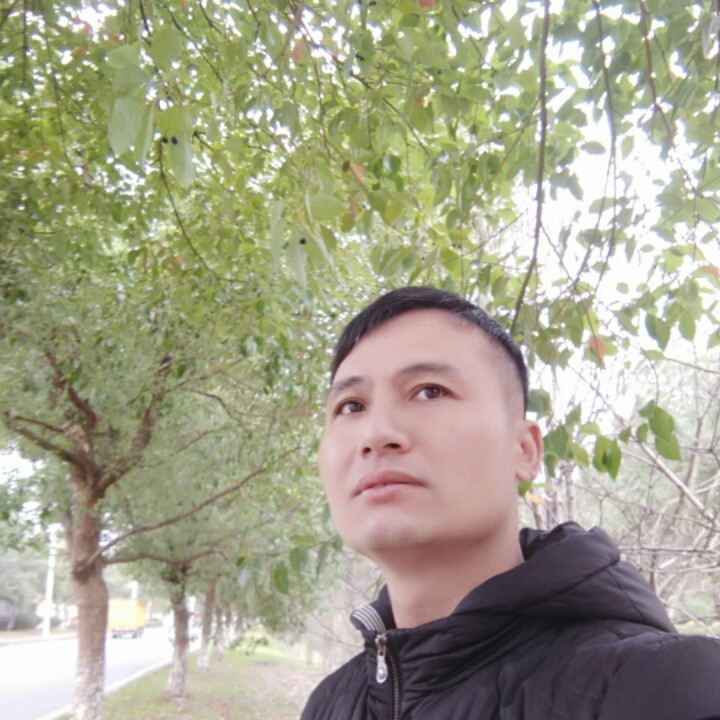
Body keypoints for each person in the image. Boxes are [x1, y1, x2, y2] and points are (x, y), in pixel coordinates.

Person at [301, 286, 720, 720]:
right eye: (351, 406)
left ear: (524, 449)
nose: (375, 434)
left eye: (430, 391)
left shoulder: (666, 687)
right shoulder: (330, 704)